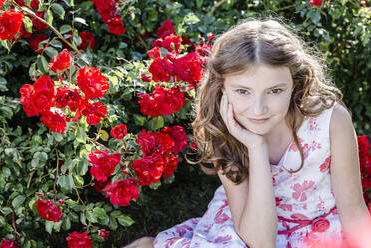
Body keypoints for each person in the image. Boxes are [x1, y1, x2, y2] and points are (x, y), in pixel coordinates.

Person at [122, 17, 371, 248]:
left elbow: (353, 211)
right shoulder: (223, 129)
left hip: (318, 227)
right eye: (243, 91)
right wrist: (255, 147)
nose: (258, 109)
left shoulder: (330, 121)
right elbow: (259, 241)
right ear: (223, 89)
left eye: (275, 91)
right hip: (250, 225)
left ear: (294, 84)